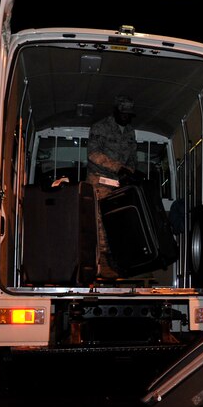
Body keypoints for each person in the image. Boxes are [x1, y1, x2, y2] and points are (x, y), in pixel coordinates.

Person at [87, 94, 138, 279]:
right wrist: (119, 168)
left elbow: (133, 156)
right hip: (100, 181)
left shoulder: (130, 132)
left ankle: (117, 259)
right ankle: (102, 261)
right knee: (101, 222)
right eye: (123, 114)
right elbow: (93, 154)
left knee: (120, 221)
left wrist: (130, 171)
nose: (126, 118)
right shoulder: (100, 127)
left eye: (129, 115)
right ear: (116, 111)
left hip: (119, 183)